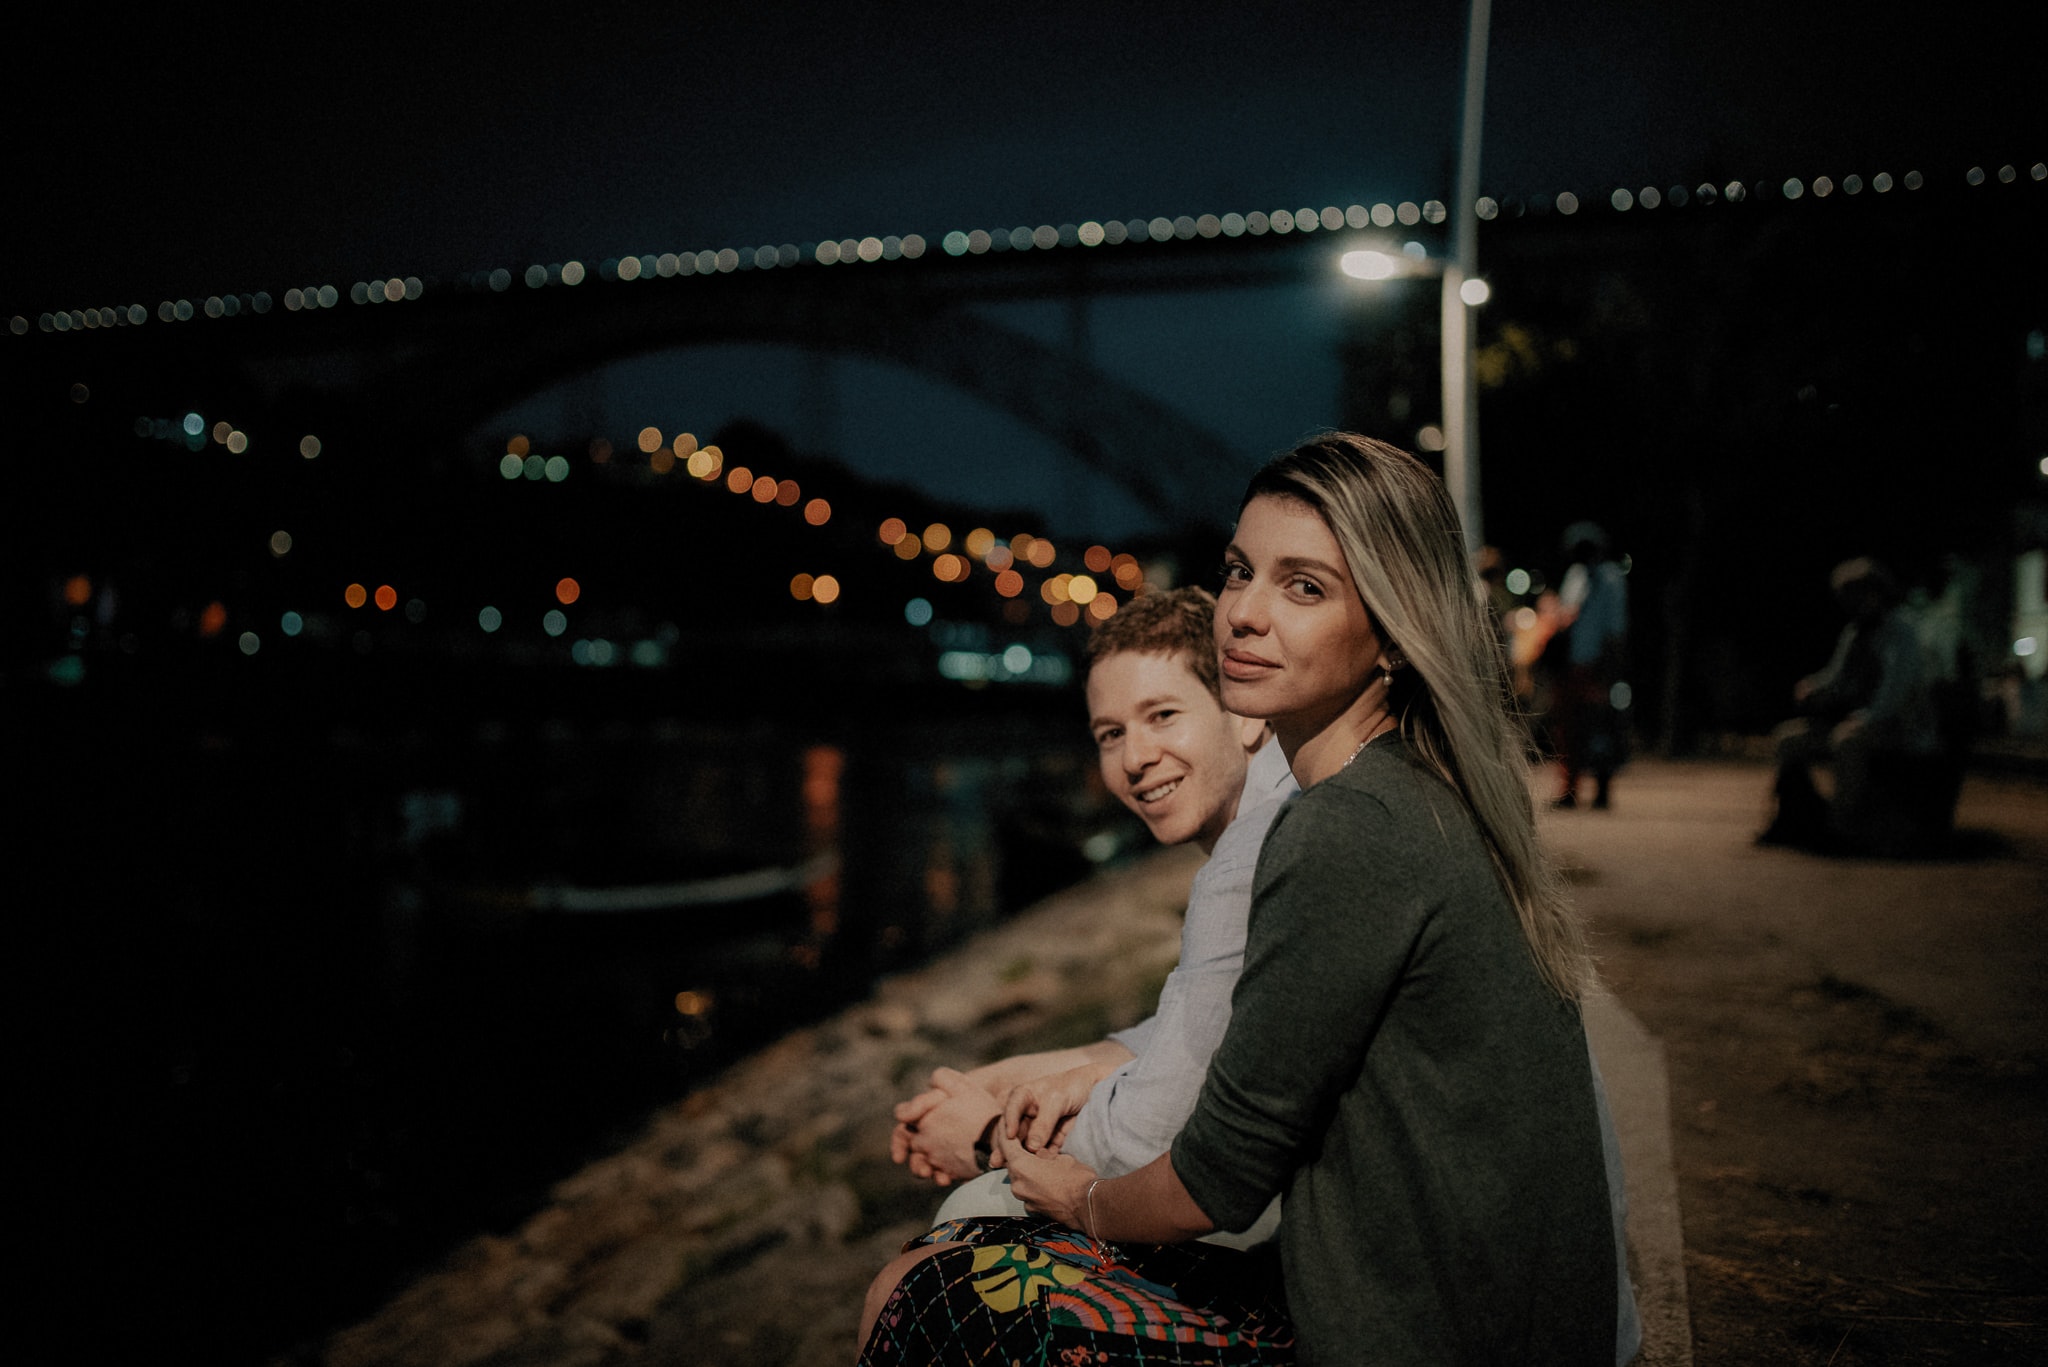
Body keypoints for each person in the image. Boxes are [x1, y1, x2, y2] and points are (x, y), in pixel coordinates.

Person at [987, 434, 1627, 1365]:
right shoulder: (1414, 787)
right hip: (1480, 1310)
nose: (1241, 614)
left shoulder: (1346, 829)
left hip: (1432, 1332)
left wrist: (1077, 1199)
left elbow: (1215, 1178)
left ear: (1394, 635)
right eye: (1240, 571)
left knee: (938, 1294)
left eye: (1305, 587)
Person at [862, 587, 1301, 1363]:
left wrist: (991, 1138)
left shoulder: (1258, 852)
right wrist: (1012, 1075)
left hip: (1350, 1307)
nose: (1134, 757)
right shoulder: (1277, 818)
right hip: (1348, 1256)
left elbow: (1154, 1134)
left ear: (1243, 709)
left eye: (1163, 715)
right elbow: (1186, 1034)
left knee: (925, 1273)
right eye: (1110, 732)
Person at [1759, 557, 1944, 852]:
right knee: (1788, 737)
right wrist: (1812, 687)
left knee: (1847, 740)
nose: (1850, 605)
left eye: (1855, 596)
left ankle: (1842, 826)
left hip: (1898, 727)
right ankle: (1790, 815)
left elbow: (1897, 688)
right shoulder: (1854, 633)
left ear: (1876, 593)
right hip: (1854, 721)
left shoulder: (1902, 633)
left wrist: (1868, 718)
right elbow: (1836, 679)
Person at [1549, 522, 1630, 809]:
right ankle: (1570, 789)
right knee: (1569, 730)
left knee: (1599, 730)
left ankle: (1602, 791)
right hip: (1571, 665)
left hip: (1594, 666)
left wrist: (1609, 672)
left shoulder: (1610, 578)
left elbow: (1615, 632)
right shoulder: (1577, 575)